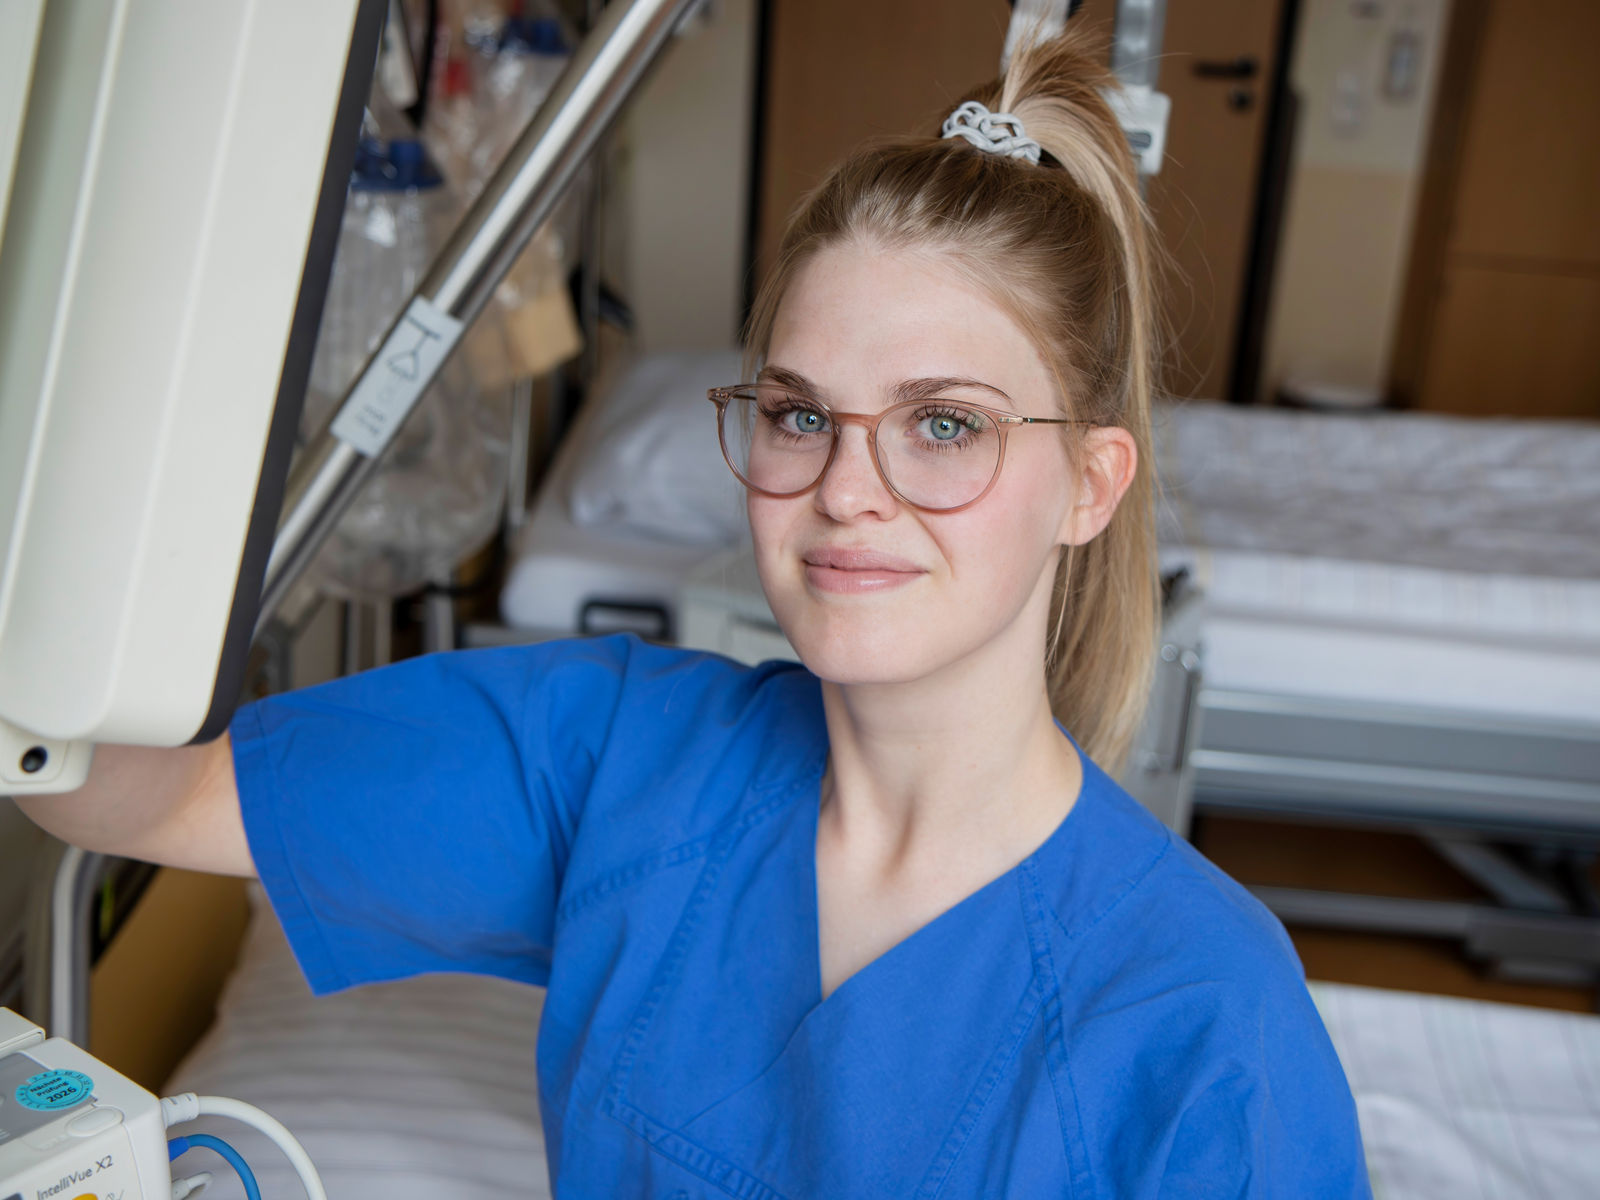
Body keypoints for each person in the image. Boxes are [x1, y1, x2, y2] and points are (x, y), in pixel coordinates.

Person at [21, 28, 1371, 1198]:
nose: (847, 491)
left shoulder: (1206, 1019)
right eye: (799, 415)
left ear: (1088, 484)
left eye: (944, 425)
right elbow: (154, 795)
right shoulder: (620, 757)